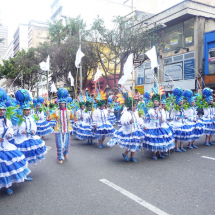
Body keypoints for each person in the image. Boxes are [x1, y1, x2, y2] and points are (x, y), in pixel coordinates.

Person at [9, 89, 47, 180]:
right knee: (21, 158)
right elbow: (13, 131)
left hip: (30, 139)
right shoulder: (17, 119)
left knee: (28, 158)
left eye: (29, 110)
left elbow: (34, 126)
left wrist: (33, 131)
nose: (28, 111)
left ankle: (25, 172)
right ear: (22, 110)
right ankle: (22, 173)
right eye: (26, 110)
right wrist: (21, 132)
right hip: (20, 141)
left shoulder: (31, 118)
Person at [0, 87, 31, 195]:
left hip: (5, 145)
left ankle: (7, 186)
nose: (2, 111)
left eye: (3, 109)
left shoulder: (7, 120)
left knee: (6, 167)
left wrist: (9, 134)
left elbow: (11, 130)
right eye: (0, 110)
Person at [108, 98, 145, 162]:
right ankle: (125, 154)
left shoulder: (136, 112)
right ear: (130, 106)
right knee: (130, 143)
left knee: (135, 143)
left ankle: (132, 157)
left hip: (136, 130)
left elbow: (140, 121)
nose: (135, 107)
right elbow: (123, 122)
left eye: (135, 105)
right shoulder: (126, 113)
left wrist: (143, 126)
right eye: (133, 106)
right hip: (129, 130)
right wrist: (129, 122)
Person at [143, 94, 175, 159]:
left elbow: (164, 117)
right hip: (153, 127)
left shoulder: (162, 110)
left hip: (160, 126)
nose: (155, 102)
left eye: (157, 101)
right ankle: (154, 154)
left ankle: (159, 153)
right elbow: (153, 114)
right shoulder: (151, 110)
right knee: (154, 141)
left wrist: (163, 119)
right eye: (154, 101)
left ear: (159, 102)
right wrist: (158, 109)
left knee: (160, 140)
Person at [47, 88, 74, 164]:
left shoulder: (69, 111)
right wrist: (48, 115)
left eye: (63, 103)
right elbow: (50, 118)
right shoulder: (56, 112)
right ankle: (60, 157)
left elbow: (75, 119)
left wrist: (75, 115)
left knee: (66, 144)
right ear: (59, 103)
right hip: (58, 129)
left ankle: (65, 152)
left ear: (65, 103)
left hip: (67, 130)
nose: (62, 104)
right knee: (59, 144)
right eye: (61, 103)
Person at [170, 87, 194, 152]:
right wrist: (177, 118)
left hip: (182, 123)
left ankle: (181, 147)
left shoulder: (182, 108)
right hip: (176, 124)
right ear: (178, 101)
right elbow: (171, 116)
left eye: (182, 101)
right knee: (177, 137)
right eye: (180, 101)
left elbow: (184, 115)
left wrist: (184, 116)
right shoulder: (174, 108)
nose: (182, 102)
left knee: (182, 135)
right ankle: (176, 147)